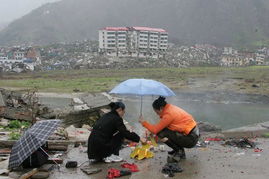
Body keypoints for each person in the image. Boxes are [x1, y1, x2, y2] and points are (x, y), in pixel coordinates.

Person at [139, 96, 199, 161]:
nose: (157, 114)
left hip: (191, 139)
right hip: (192, 135)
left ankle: (179, 151)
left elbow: (155, 130)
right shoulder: (170, 108)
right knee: (163, 131)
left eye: (157, 112)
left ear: (161, 108)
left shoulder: (168, 114)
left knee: (160, 133)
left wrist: (143, 123)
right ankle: (179, 149)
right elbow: (162, 125)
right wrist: (150, 129)